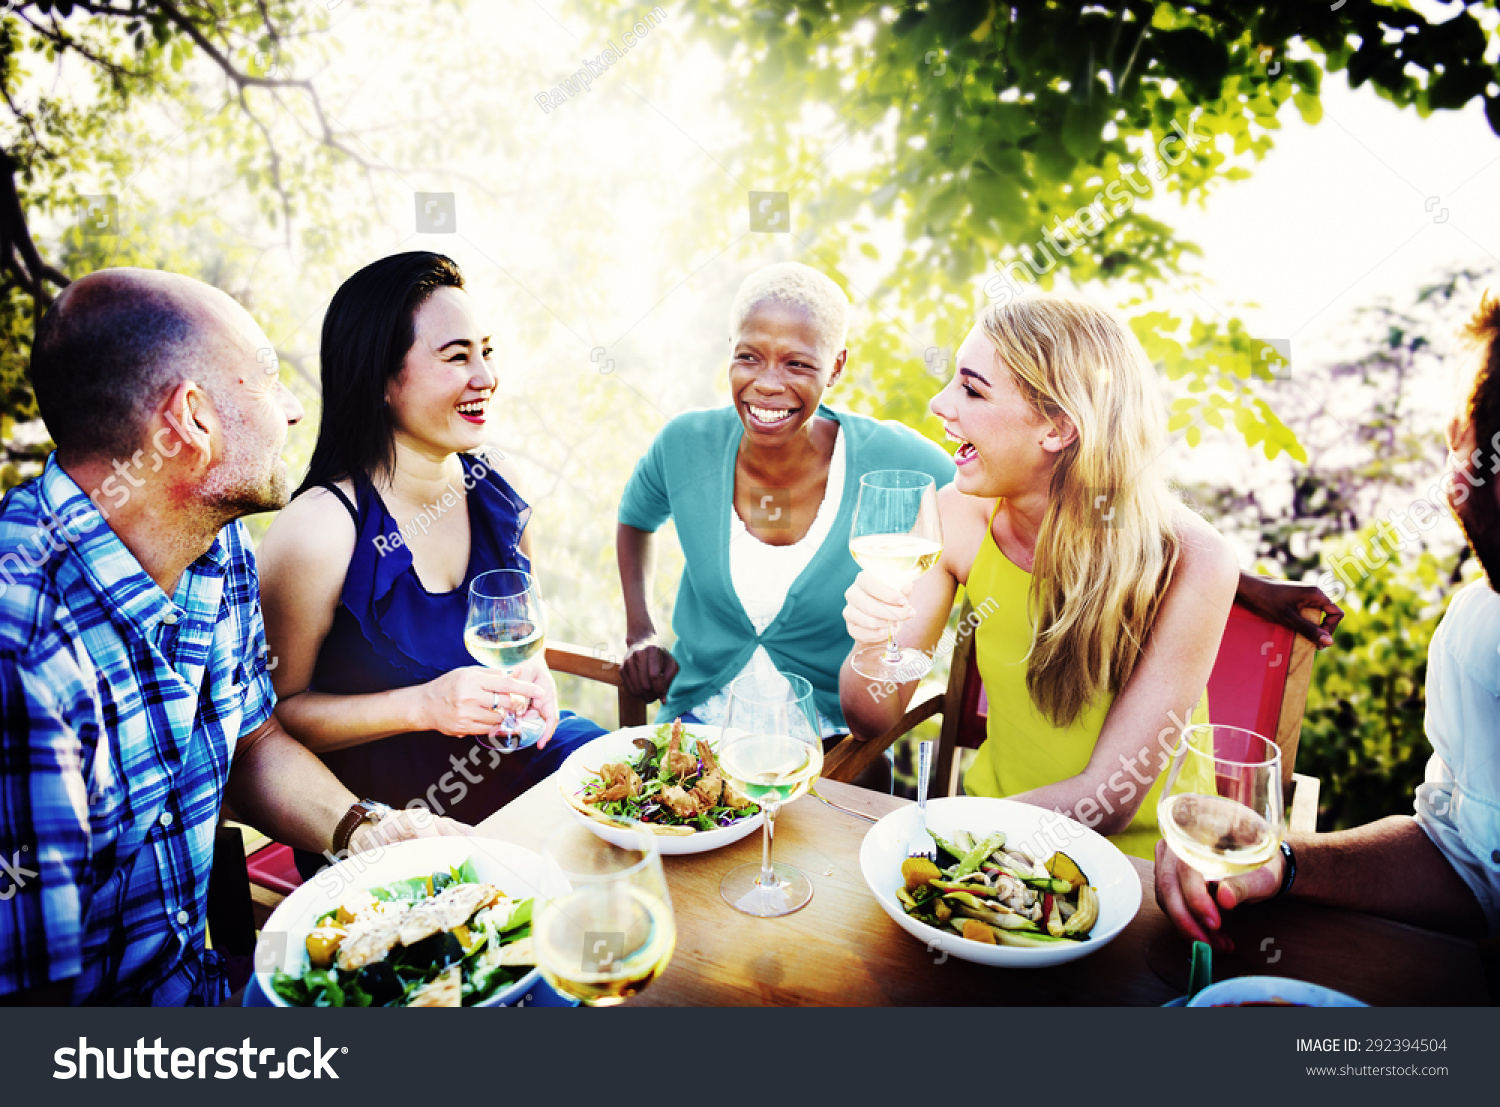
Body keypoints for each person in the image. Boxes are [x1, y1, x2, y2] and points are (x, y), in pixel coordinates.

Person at [0, 269, 459, 1006]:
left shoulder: (217, 549)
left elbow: (254, 742)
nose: (293, 410)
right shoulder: (22, 649)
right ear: (193, 418)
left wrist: (363, 829)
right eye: (269, 379)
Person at [839, 295, 1247, 858]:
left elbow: (1108, 797)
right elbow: (870, 716)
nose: (938, 403)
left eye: (971, 389)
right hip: (986, 833)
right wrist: (870, 642)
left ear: (1058, 429)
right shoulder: (954, 516)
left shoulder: (1193, 559)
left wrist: (942, 840)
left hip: (1141, 867)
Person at [1155, 293, 1500, 944]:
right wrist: (1281, 861)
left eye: (1459, 438)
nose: (1450, 468)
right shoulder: (1479, 635)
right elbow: (1462, 856)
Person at [257, 253, 604, 877]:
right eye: (456, 356)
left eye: (486, 351)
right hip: (393, 821)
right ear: (382, 379)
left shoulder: (495, 482)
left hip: (515, 764)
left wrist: (538, 677)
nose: (486, 376)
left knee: (643, 804)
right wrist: (423, 705)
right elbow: (268, 727)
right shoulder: (317, 531)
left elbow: (522, 636)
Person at [616, 263, 955, 789]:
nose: (766, 384)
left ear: (836, 366)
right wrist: (641, 633)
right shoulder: (686, 444)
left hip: (834, 756)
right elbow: (635, 520)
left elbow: (988, 496)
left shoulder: (896, 458)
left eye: (797, 363)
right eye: (748, 356)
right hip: (695, 745)